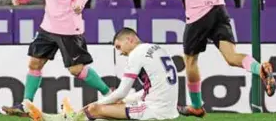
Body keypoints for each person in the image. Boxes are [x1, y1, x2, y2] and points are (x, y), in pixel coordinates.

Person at [143, 0, 276, 118]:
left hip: (198, 14)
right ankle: (260, 68)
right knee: (231, 57)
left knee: (190, 61)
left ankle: (196, 106)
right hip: (219, 8)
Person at [2, 0, 111, 117]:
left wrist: (79, 3)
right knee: (35, 63)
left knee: (76, 69)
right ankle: (26, 105)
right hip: (48, 25)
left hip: (69, 26)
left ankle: (109, 95)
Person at [24, 28, 180, 121]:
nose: (120, 52)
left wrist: (101, 103)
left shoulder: (136, 53)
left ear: (130, 39)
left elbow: (121, 92)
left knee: (95, 110)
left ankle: (62, 118)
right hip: (167, 108)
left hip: (156, 111)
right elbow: (153, 88)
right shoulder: (156, 48)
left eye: (119, 47)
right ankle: (68, 116)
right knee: (110, 106)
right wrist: (123, 100)